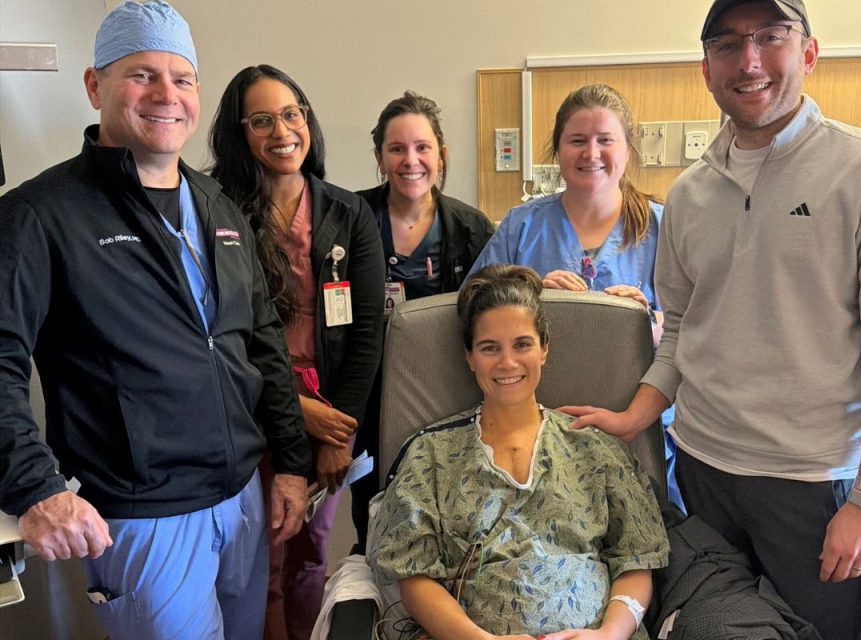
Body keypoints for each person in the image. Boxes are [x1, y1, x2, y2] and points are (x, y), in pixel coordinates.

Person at [561, 1, 861, 638]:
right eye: (728, 44)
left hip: (810, 485)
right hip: (703, 470)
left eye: (771, 37)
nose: (750, 60)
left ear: (809, 53)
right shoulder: (688, 195)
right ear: (706, 70)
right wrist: (636, 415)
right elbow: (681, 326)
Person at [0, 3, 312, 639]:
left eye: (182, 78)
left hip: (242, 499)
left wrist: (291, 462)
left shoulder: (216, 204)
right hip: (147, 518)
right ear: (94, 86)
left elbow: (261, 344)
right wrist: (34, 487)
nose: (166, 94)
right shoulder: (41, 217)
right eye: (141, 75)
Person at [368, 265, 669, 640]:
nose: (507, 363)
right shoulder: (430, 455)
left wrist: (609, 634)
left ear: (544, 348)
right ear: (469, 357)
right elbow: (414, 576)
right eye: (490, 348)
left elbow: (636, 560)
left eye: (522, 344)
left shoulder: (594, 446)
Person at [209, 65, 385, 640]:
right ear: (240, 133)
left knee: (311, 550)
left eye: (292, 114)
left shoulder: (347, 211)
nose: (282, 130)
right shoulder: (217, 212)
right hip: (247, 398)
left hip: (329, 402)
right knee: (260, 555)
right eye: (261, 120)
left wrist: (339, 431)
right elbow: (220, 330)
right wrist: (291, 407)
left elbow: (367, 330)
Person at [469, 84, 684, 511]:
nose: (592, 153)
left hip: (638, 426)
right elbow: (471, 306)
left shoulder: (665, 227)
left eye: (606, 140)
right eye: (577, 140)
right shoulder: (522, 226)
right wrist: (526, 293)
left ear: (628, 148)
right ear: (557, 149)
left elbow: (699, 326)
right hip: (535, 427)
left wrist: (652, 321)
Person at [353, 90, 494, 550]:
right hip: (371, 392)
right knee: (375, 504)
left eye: (422, 148)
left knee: (451, 500)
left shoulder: (472, 228)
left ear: (441, 155)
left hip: (445, 385)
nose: (410, 160)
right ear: (379, 157)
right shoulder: (352, 219)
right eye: (396, 149)